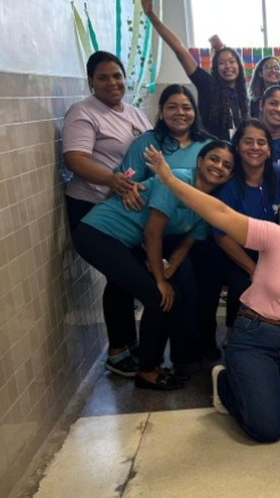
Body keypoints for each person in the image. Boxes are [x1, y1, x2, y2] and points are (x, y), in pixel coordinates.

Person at [143, 146, 280, 443]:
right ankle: (228, 382)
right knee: (267, 430)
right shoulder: (279, 238)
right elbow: (221, 213)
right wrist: (168, 179)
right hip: (254, 336)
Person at [73, 141, 235, 389]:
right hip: (98, 233)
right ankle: (147, 371)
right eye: (214, 159)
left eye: (227, 165)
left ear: (231, 175)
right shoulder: (177, 180)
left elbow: (187, 243)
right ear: (200, 161)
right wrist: (160, 281)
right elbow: (152, 233)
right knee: (158, 298)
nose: (219, 166)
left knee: (173, 298)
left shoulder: (207, 203)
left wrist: (168, 271)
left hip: (124, 242)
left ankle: (151, 364)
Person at [63, 50, 152, 377]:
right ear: (91, 81)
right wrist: (112, 180)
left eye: (117, 76)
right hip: (93, 209)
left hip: (126, 211)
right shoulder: (83, 113)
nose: (112, 83)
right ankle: (117, 351)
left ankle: (127, 343)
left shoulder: (134, 113)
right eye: (103, 77)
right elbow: (76, 158)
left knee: (123, 277)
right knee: (123, 275)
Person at [191, 120, 280, 359]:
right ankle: (216, 341)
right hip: (221, 252)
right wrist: (253, 268)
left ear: (269, 149)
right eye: (248, 141)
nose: (255, 147)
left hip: (260, 252)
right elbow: (223, 238)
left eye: (261, 142)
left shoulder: (277, 177)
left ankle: (245, 336)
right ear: (238, 146)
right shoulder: (228, 186)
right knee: (238, 282)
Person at [139, 0, 248, 139]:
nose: (228, 66)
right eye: (221, 63)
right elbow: (179, 49)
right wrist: (151, 15)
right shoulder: (208, 84)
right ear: (215, 68)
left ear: (239, 65)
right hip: (211, 154)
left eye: (232, 61)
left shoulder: (242, 95)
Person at [116, 84, 213, 208]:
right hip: (148, 214)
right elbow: (127, 182)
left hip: (195, 216)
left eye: (187, 108)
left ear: (195, 112)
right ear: (161, 111)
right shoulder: (146, 143)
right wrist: (127, 190)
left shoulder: (209, 147)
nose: (180, 113)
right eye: (172, 107)